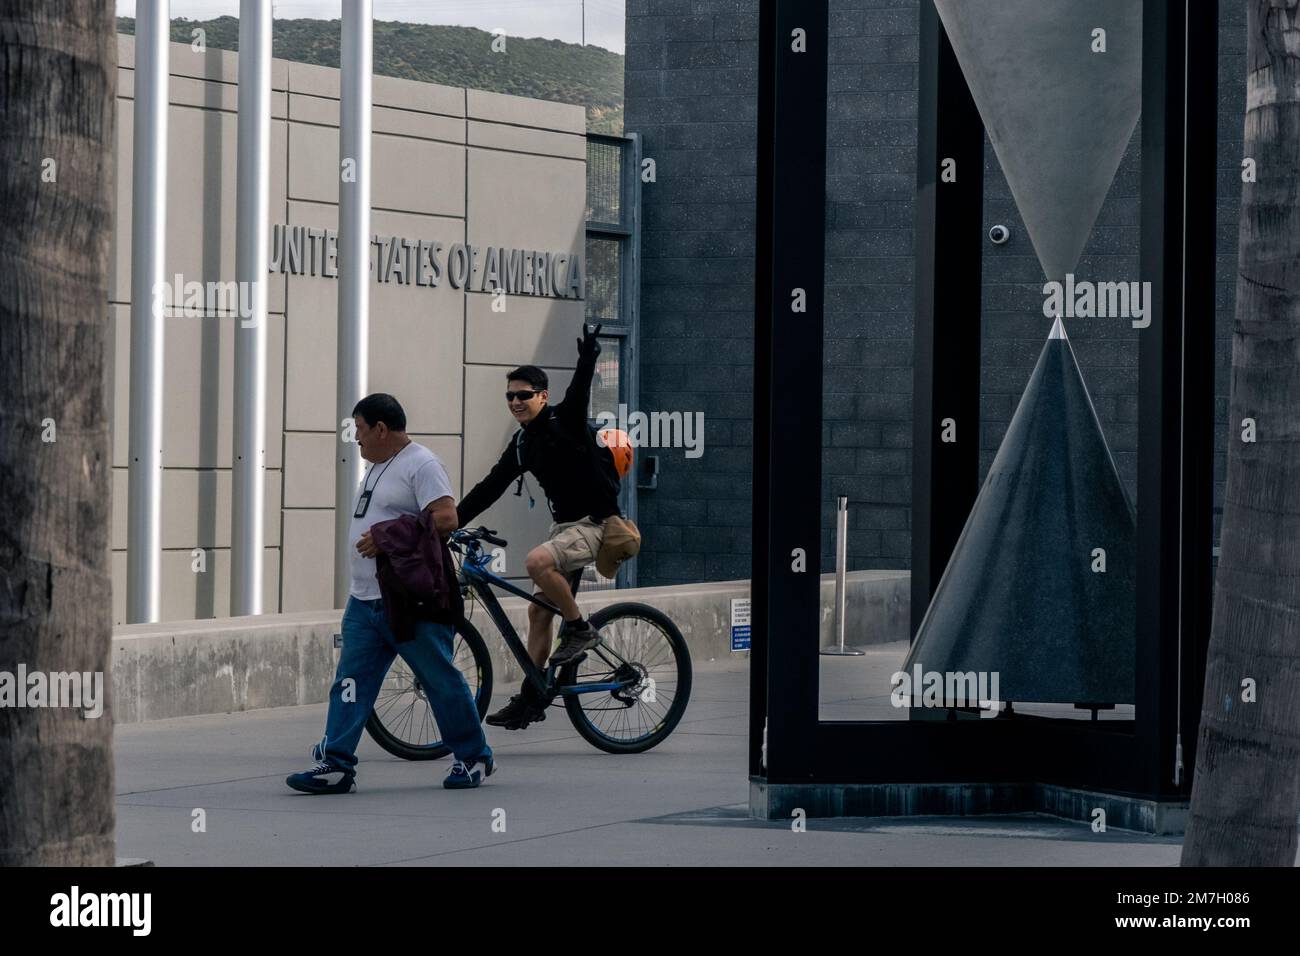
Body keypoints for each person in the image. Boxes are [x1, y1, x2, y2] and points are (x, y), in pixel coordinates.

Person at [286, 394, 494, 793]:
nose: (357, 440)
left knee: (438, 679)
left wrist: (386, 537)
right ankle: (336, 763)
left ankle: (474, 756)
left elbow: (447, 517)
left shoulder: (422, 464)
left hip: (406, 599)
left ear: (381, 429)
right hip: (363, 599)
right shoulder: (378, 466)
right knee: (350, 682)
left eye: (360, 431)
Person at [456, 321, 620, 729]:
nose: (515, 401)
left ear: (542, 397)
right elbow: (490, 487)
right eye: (510, 395)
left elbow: (580, 390)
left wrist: (588, 358)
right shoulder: (522, 443)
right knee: (537, 613)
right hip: (566, 529)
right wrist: (449, 522)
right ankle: (534, 697)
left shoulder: (565, 420)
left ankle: (581, 630)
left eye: (523, 395)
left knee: (535, 562)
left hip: (597, 524)